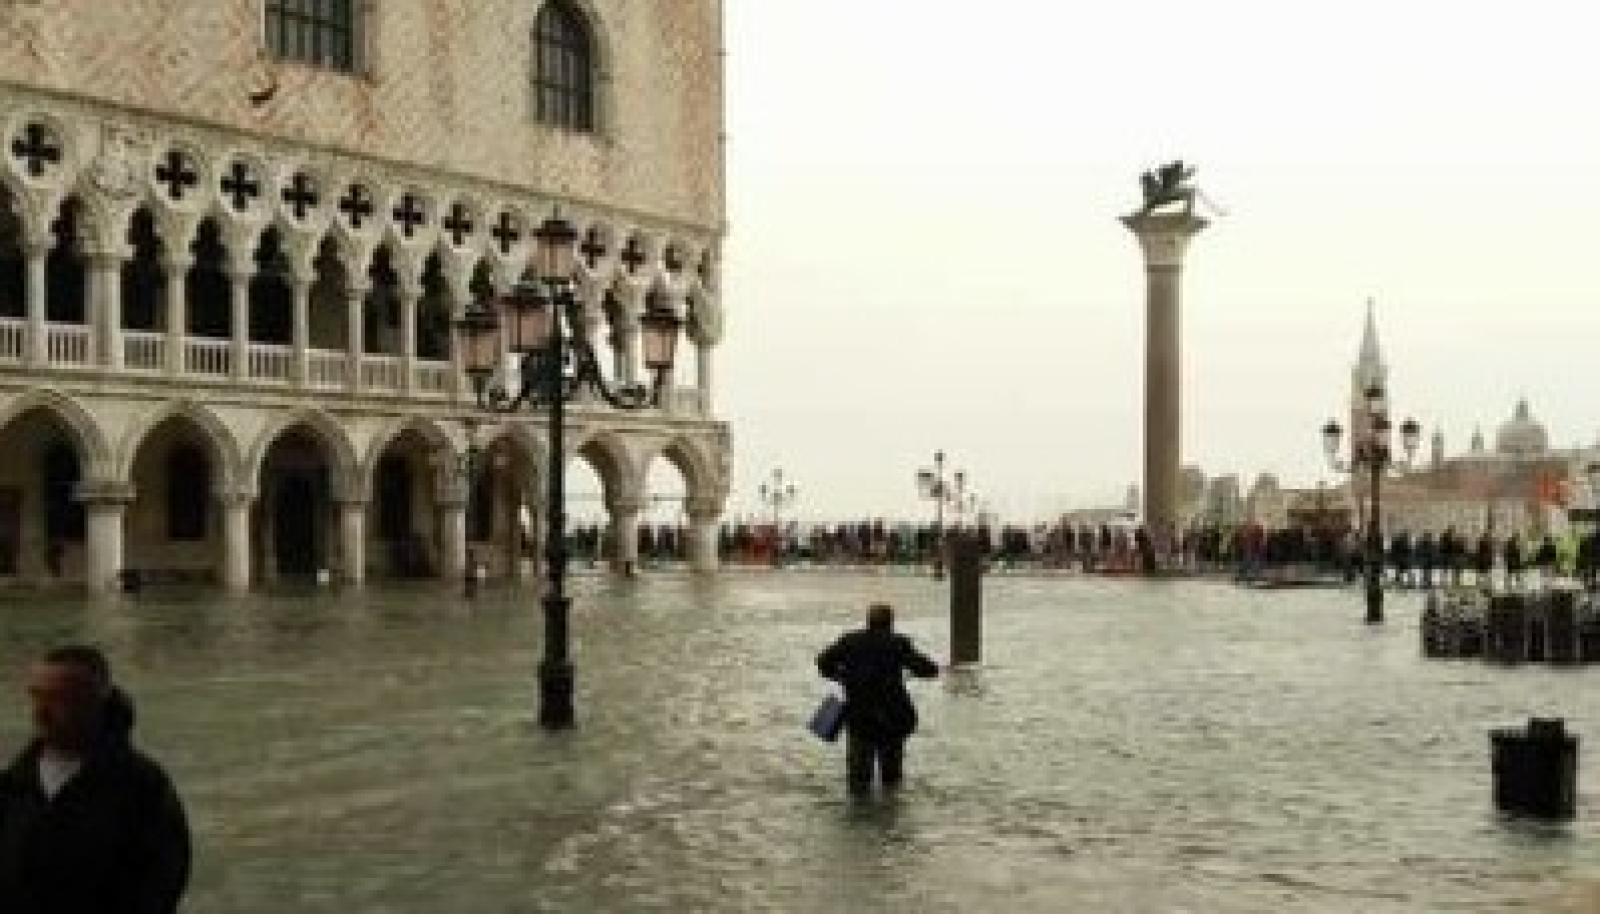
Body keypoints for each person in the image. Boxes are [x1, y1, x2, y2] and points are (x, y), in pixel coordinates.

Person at [0, 645, 190, 913]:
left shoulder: (142, 785)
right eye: (36, 696)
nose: (40, 712)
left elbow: (162, 882)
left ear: (94, 702)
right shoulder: (14, 782)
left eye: (58, 699)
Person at [816, 603, 939, 797]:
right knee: (891, 777)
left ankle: (860, 817)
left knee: (858, 778)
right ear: (890, 622)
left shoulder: (849, 640)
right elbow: (928, 669)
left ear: (868, 621)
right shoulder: (898, 643)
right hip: (892, 716)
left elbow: (823, 662)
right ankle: (890, 818)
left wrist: (840, 676)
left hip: (859, 716)